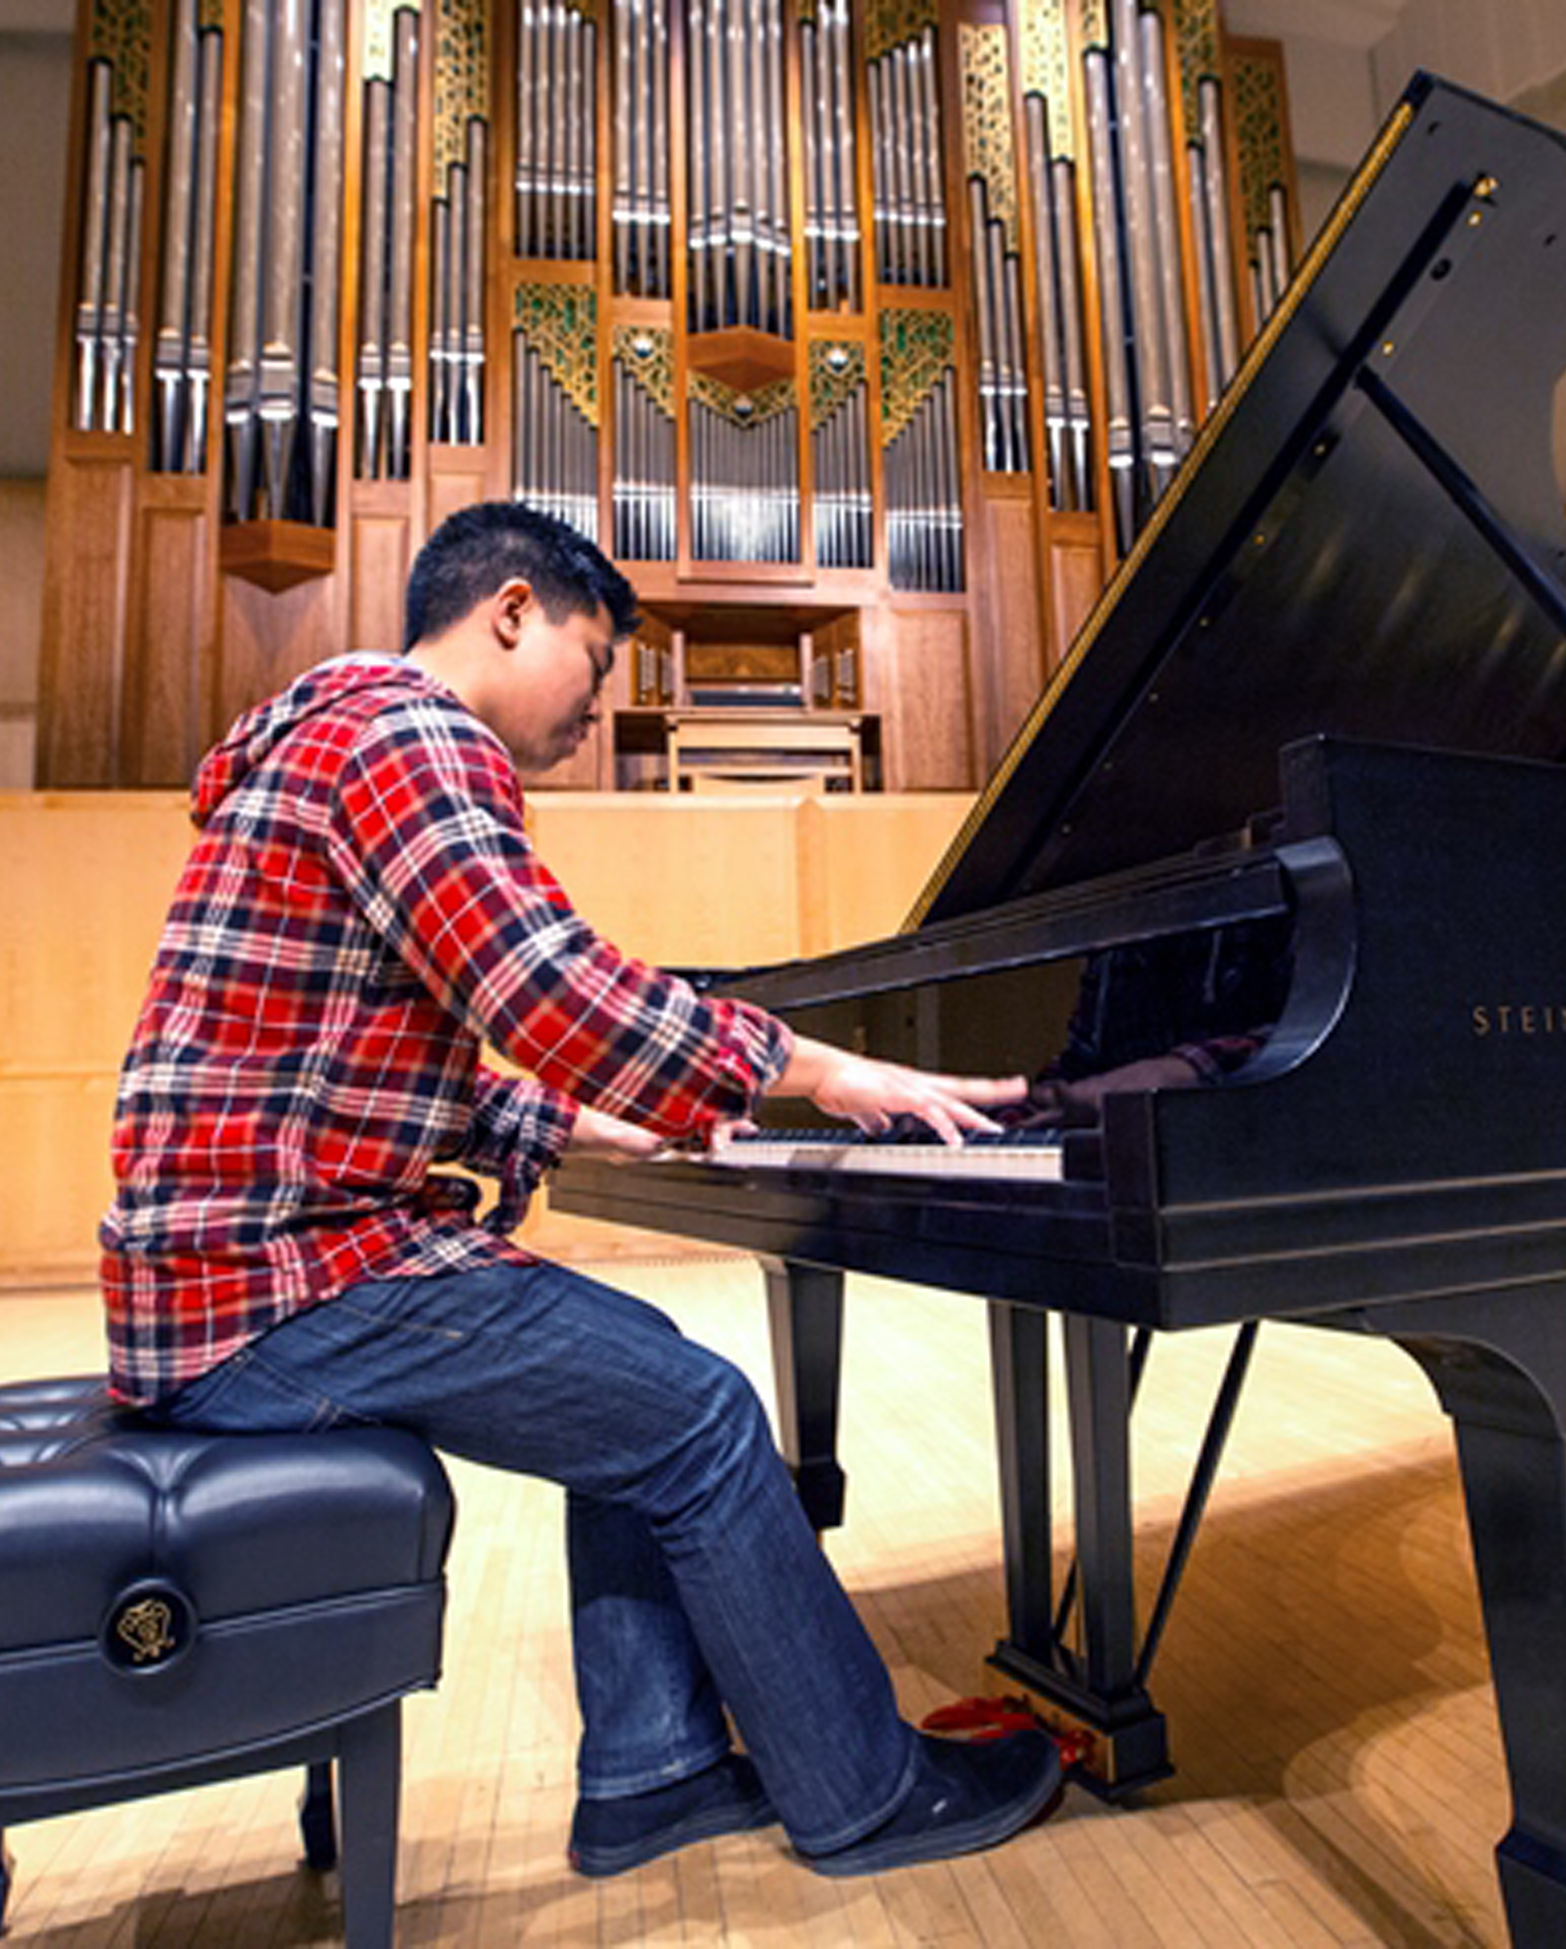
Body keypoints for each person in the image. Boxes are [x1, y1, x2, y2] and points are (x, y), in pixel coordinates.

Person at [99, 501, 1065, 1881]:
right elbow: (543, 984)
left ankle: (654, 1769)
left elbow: (342, 1069)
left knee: (643, 1377)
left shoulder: (328, 732)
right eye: (596, 658)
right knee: (705, 1419)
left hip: (228, 1269)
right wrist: (807, 1066)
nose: (599, 702)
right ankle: (863, 1791)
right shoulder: (410, 736)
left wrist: (580, 1128)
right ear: (508, 609)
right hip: (277, 1288)